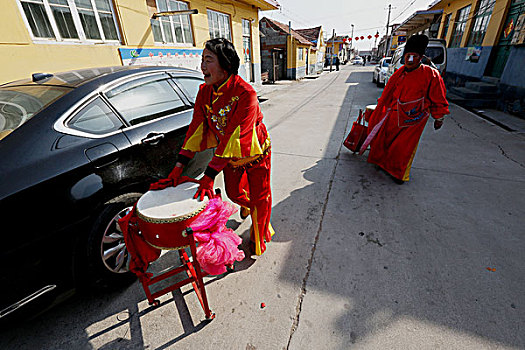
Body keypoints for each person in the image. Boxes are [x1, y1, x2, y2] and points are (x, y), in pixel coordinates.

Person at [167, 38, 274, 256]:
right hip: (229, 158)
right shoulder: (204, 92)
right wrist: (179, 165)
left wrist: (209, 175)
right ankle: (251, 207)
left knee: (261, 198)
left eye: (208, 60)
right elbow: (196, 129)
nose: (202, 66)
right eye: (202, 60)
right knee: (234, 194)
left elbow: (233, 137)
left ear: (225, 65)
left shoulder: (246, 94)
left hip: (256, 154)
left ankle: (260, 230)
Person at [360, 34, 449, 184]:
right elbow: (387, 93)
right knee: (385, 141)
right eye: (407, 56)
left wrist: (439, 117)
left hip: (414, 120)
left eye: (413, 57)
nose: (410, 60)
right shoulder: (399, 73)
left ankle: (398, 173)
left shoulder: (431, 74)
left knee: (403, 148)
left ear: (420, 57)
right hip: (393, 116)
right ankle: (383, 164)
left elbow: (438, 98)